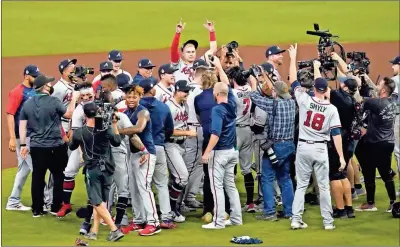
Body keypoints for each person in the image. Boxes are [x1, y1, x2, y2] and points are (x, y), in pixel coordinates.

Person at [287, 44, 345, 230]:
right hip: (320, 149)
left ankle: (296, 219)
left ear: (314, 88)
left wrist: (292, 58)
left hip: (303, 147)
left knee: (302, 186)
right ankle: (328, 223)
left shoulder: (304, 99)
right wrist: (342, 157)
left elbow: (294, 81)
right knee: (324, 187)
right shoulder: (331, 109)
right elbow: (336, 134)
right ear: (325, 90)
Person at [19, 75, 79, 217]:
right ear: (45, 87)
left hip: (36, 147)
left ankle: (37, 209)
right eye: (48, 83)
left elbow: (22, 126)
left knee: (38, 177)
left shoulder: (28, 103)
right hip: (55, 146)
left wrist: (23, 144)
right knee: (59, 176)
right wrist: (74, 99)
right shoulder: (53, 101)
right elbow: (69, 114)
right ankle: (55, 207)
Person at [68, 102, 124, 242]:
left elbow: (72, 145)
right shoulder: (107, 128)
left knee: (96, 200)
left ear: (85, 115)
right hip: (108, 168)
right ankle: (94, 231)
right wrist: (114, 124)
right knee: (100, 201)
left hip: (93, 169)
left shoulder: (80, 132)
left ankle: (114, 230)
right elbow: (117, 141)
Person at [249, 71, 296, 221]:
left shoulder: (274, 105)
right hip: (289, 145)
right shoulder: (292, 102)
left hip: (275, 146)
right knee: (285, 178)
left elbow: (255, 97)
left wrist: (255, 84)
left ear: (276, 92)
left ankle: (269, 212)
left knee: (267, 178)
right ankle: (289, 211)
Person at [6, 65, 51, 211]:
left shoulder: (34, 90)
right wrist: (13, 138)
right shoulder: (17, 92)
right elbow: (10, 115)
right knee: (37, 168)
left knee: (23, 170)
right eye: (34, 76)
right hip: (23, 137)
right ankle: (48, 201)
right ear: (26, 76)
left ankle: (13, 201)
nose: (36, 78)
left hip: (33, 135)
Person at [118, 85, 161, 236]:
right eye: (128, 97)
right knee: (133, 188)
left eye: (134, 97)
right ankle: (138, 220)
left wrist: (119, 131)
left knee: (144, 186)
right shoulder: (126, 112)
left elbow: (138, 128)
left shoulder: (143, 111)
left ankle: (153, 222)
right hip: (133, 154)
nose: (131, 100)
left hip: (146, 153)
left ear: (139, 97)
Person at [201, 82, 242, 229]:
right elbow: (227, 91)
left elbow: (215, 133)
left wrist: (206, 152)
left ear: (217, 94)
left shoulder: (217, 109)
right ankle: (236, 218)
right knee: (230, 186)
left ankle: (218, 222)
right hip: (232, 152)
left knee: (216, 187)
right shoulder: (232, 105)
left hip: (220, 153)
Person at [138, 78, 177, 229]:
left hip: (142, 150)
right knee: (161, 184)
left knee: (143, 185)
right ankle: (166, 217)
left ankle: (143, 218)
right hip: (159, 148)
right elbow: (170, 130)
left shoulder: (138, 108)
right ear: (152, 90)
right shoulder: (163, 107)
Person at [355, 77, 397, 212]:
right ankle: (393, 203)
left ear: (384, 90)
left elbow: (358, 98)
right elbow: (375, 91)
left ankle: (370, 203)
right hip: (388, 142)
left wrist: (355, 81)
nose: (377, 85)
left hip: (374, 143)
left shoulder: (376, 104)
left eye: (379, 84)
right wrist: (367, 78)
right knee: (386, 174)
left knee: (368, 173)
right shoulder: (393, 101)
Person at [164, 79, 197, 222]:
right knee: (182, 177)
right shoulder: (169, 107)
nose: (187, 93)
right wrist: (188, 133)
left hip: (181, 145)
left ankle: (172, 208)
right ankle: (171, 209)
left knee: (174, 179)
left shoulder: (184, 105)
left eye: (188, 91)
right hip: (170, 145)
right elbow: (167, 131)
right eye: (185, 91)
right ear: (177, 91)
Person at [227, 66, 256, 213]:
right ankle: (250, 203)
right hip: (248, 131)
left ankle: (231, 203)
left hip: (236, 131)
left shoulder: (232, 92)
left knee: (229, 166)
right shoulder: (250, 89)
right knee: (246, 168)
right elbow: (253, 81)